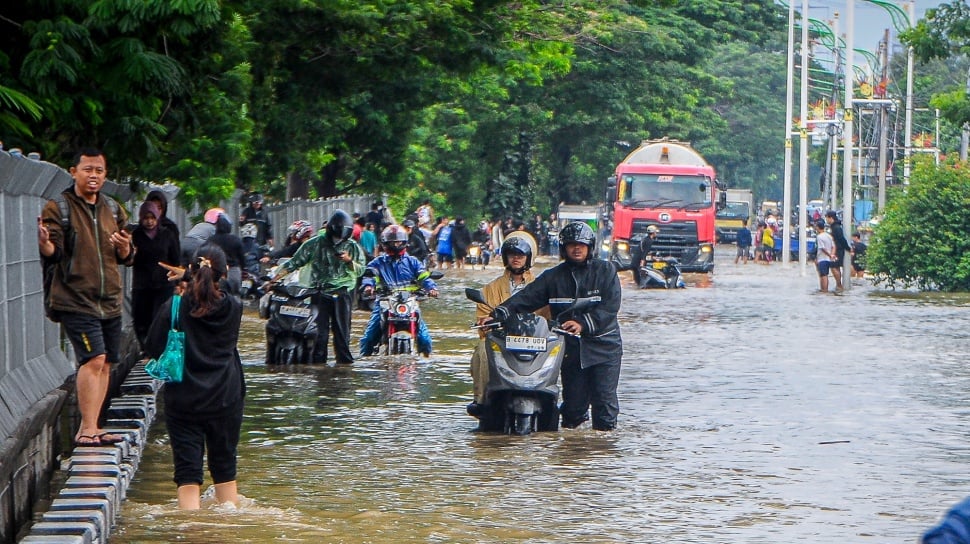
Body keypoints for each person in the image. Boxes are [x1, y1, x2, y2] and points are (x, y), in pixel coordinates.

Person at [38, 148, 135, 447]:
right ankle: (88, 429)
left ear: (105, 175)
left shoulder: (113, 209)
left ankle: (92, 425)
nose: (94, 176)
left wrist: (125, 248)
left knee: (107, 363)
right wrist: (44, 244)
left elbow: (127, 255)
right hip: (75, 298)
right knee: (94, 358)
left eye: (99, 171)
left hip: (109, 299)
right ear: (74, 172)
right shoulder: (59, 207)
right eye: (88, 169)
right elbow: (54, 252)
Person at [489, 222, 622, 431]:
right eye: (571, 245)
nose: (576, 249)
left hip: (604, 347)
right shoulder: (553, 276)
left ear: (590, 247)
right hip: (570, 349)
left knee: (604, 405)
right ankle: (571, 447)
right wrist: (499, 313)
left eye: (581, 245)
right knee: (573, 409)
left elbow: (610, 307)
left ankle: (603, 447)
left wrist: (582, 324)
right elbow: (527, 297)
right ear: (563, 248)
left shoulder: (606, 271)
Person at [147, 245, 244, 509]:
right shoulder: (234, 307)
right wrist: (191, 275)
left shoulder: (175, 307)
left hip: (184, 400)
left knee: (187, 474)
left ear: (191, 270)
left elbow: (153, 346)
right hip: (226, 397)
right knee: (225, 469)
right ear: (224, 272)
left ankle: (190, 525)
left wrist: (188, 278)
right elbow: (227, 287)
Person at [466, 234, 549, 418]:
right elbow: (482, 318)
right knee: (482, 350)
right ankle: (481, 400)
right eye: (512, 254)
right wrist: (486, 323)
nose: (516, 258)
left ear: (529, 257)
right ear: (505, 257)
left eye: (521, 254)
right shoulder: (490, 289)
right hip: (502, 340)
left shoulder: (542, 286)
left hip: (534, 341)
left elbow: (550, 315)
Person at [266, 210, 365, 365]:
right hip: (319, 292)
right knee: (319, 334)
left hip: (342, 293)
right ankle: (318, 366)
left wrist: (348, 261)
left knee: (342, 334)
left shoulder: (352, 247)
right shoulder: (315, 244)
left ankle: (344, 366)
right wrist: (273, 280)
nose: (337, 241)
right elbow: (294, 263)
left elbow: (361, 270)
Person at [359, 225, 439, 357]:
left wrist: (432, 288)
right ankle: (363, 362)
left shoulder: (413, 262)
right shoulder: (377, 263)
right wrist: (368, 287)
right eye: (392, 242)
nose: (396, 245)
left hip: (410, 304)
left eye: (399, 242)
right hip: (384, 303)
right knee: (369, 338)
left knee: (425, 340)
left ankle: (426, 361)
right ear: (385, 244)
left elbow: (424, 277)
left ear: (404, 243)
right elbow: (369, 276)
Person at [130, 200, 180, 351]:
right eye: (146, 218)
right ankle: (145, 349)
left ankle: (158, 350)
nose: (149, 222)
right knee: (141, 319)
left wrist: (178, 282)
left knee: (160, 318)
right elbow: (129, 258)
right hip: (142, 285)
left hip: (163, 285)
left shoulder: (167, 234)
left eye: (152, 218)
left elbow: (175, 258)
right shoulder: (136, 236)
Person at [208, 213, 246, 294]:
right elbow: (242, 259)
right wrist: (243, 269)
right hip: (233, 272)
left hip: (215, 273)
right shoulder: (235, 240)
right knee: (235, 296)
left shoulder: (210, 240)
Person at [825, 210, 851, 291]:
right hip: (836, 249)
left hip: (837, 250)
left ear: (830, 218)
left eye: (827, 218)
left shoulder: (836, 228)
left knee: (834, 267)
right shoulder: (834, 227)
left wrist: (848, 248)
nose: (826, 220)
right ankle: (839, 285)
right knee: (835, 267)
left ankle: (839, 285)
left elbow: (841, 239)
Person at [814, 220, 835, 293]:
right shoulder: (829, 236)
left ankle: (824, 290)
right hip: (828, 259)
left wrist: (829, 255)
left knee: (823, 275)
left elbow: (822, 248)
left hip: (822, 258)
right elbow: (833, 246)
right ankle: (824, 290)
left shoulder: (819, 237)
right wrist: (831, 255)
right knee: (825, 274)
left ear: (818, 227)